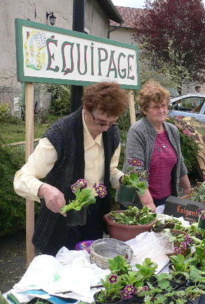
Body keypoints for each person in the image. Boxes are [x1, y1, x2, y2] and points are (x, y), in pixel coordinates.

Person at [14, 82, 128, 255]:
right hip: (61, 220)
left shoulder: (112, 133)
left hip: (95, 216)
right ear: (86, 109)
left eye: (111, 123)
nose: (105, 129)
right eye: (100, 122)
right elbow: (22, 177)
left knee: (89, 269)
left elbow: (109, 171)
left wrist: (123, 180)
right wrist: (44, 189)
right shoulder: (60, 133)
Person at [123, 80, 191, 211]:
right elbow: (135, 172)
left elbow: (180, 163)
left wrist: (189, 191)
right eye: (155, 107)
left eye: (164, 106)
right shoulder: (138, 131)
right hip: (141, 202)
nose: (161, 110)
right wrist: (148, 204)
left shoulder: (172, 130)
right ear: (144, 110)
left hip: (168, 199)